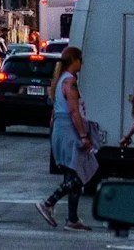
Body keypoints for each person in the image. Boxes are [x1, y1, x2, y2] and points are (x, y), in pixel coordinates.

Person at [38, 44, 98, 230]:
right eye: (80, 59)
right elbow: (73, 111)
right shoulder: (70, 82)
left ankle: (72, 219)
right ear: (74, 60)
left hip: (59, 128)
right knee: (81, 173)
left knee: (71, 173)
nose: (82, 63)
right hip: (68, 130)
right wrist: (83, 135)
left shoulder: (60, 80)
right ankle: (49, 202)